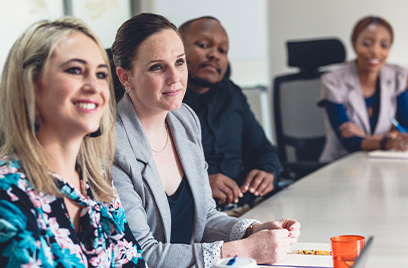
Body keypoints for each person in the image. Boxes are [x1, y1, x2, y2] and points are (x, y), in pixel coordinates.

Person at [111, 13, 300, 268]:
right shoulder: (112, 145)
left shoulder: (184, 120)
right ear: (125, 77)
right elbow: (143, 254)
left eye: (179, 62)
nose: (175, 77)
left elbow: (206, 218)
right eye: (157, 67)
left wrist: (253, 230)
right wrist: (244, 249)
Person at [0, 17, 146, 267]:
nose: (94, 86)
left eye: (101, 74)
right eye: (75, 70)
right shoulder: (7, 194)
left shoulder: (98, 182)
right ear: (31, 86)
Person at [179, 16, 280, 210]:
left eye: (222, 50)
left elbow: (263, 149)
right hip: (196, 212)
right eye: (203, 45)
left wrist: (267, 171)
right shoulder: (164, 100)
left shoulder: (231, 93)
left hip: (249, 205)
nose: (214, 55)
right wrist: (200, 183)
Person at [318, 16, 408, 162]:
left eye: (384, 45)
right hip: (341, 164)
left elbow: (406, 125)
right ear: (354, 45)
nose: (375, 51)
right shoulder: (333, 81)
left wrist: (369, 138)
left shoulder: (397, 76)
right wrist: (387, 140)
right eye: (367, 43)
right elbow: (350, 141)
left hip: (382, 161)